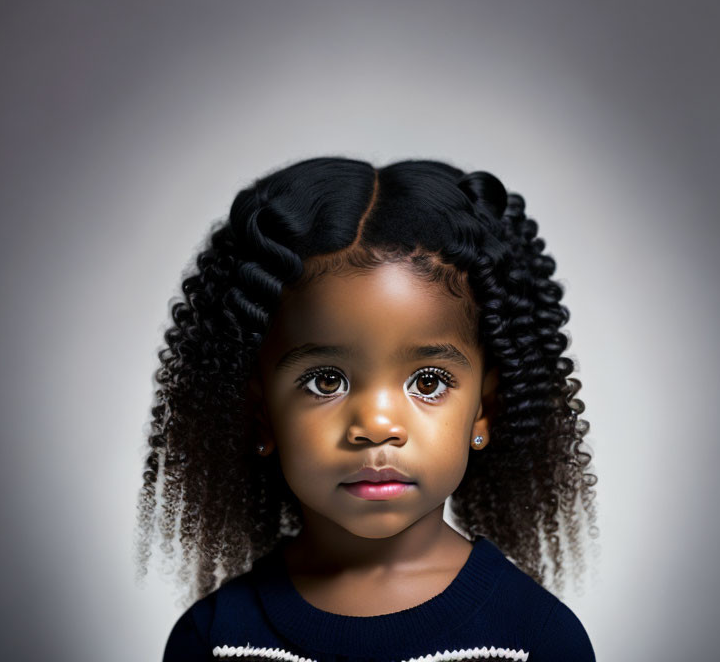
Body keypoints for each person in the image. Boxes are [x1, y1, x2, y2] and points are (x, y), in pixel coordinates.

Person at [136, 157, 599, 661]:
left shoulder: (536, 641)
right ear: (263, 412)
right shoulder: (213, 641)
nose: (376, 425)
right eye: (326, 381)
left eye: (428, 382)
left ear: (484, 409)